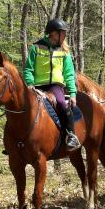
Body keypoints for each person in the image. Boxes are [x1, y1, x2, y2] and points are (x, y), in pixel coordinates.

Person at [23, 18, 81, 151]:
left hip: (55, 86)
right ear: (53, 33)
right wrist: (30, 83)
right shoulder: (36, 47)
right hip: (36, 86)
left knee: (61, 103)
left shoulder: (64, 51)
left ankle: (71, 135)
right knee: (22, 105)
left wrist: (72, 93)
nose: (65, 35)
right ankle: (14, 139)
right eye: (63, 33)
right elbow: (28, 69)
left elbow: (69, 74)